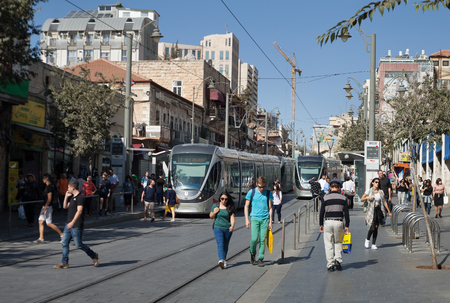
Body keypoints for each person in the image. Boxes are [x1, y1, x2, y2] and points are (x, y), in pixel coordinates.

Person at [53, 180, 99, 269]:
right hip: (68, 225)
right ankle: (64, 263)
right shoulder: (72, 197)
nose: (67, 189)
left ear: (72, 187)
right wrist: (66, 197)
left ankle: (93, 255)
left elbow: (79, 211)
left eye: (68, 187)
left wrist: (72, 223)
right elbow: (65, 206)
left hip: (76, 225)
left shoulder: (80, 198)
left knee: (78, 245)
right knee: (64, 243)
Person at [319, 180, 350, 272]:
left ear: (330, 188)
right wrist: (347, 225)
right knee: (338, 242)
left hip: (328, 222)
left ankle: (330, 265)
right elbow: (347, 213)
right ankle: (338, 260)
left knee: (328, 243)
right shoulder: (344, 198)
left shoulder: (325, 197)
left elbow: (321, 212)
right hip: (339, 222)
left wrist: (321, 224)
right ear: (339, 188)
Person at [244, 176, 273, 267]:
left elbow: (270, 208)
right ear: (257, 184)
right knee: (254, 239)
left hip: (265, 219)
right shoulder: (251, 192)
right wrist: (246, 220)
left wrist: (270, 221)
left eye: (263, 187)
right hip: (255, 218)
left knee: (262, 240)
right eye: (260, 187)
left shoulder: (268, 193)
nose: (262, 188)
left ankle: (260, 258)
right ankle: (252, 253)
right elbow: (246, 206)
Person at [361, 178, 392, 250]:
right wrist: (368, 197)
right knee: (372, 227)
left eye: (378, 182)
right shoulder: (369, 191)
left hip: (378, 210)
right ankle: (367, 239)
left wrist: (389, 211)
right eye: (376, 182)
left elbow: (384, 202)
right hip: (371, 210)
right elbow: (362, 199)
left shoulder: (381, 192)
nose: (377, 183)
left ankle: (373, 244)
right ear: (372, 183)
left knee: (376, 227)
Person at [34, 174, 63, 244]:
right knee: (40, 221)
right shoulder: (48, 186)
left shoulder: (50, 187)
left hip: (47, 206)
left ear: (47, 178)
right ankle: (41, 238)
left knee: (49, 223)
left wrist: (45, 208)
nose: (42, 179)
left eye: (43, 178)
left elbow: (49, 199)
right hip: (46, 206)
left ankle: (62, 234)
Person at [210, 192, 236, 269]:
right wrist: (214, 212)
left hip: (227, 229)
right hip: (217, 228)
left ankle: (224, 260)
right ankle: (221, 260)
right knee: (220, 244)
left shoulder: (230, 207)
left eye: (226, 199)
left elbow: (232, 217)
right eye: (222, 199)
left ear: (228, 200)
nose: (224, 200)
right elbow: (211, 216)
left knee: (225, 245)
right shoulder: (215, 206)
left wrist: (232, 226)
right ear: (220, 199)